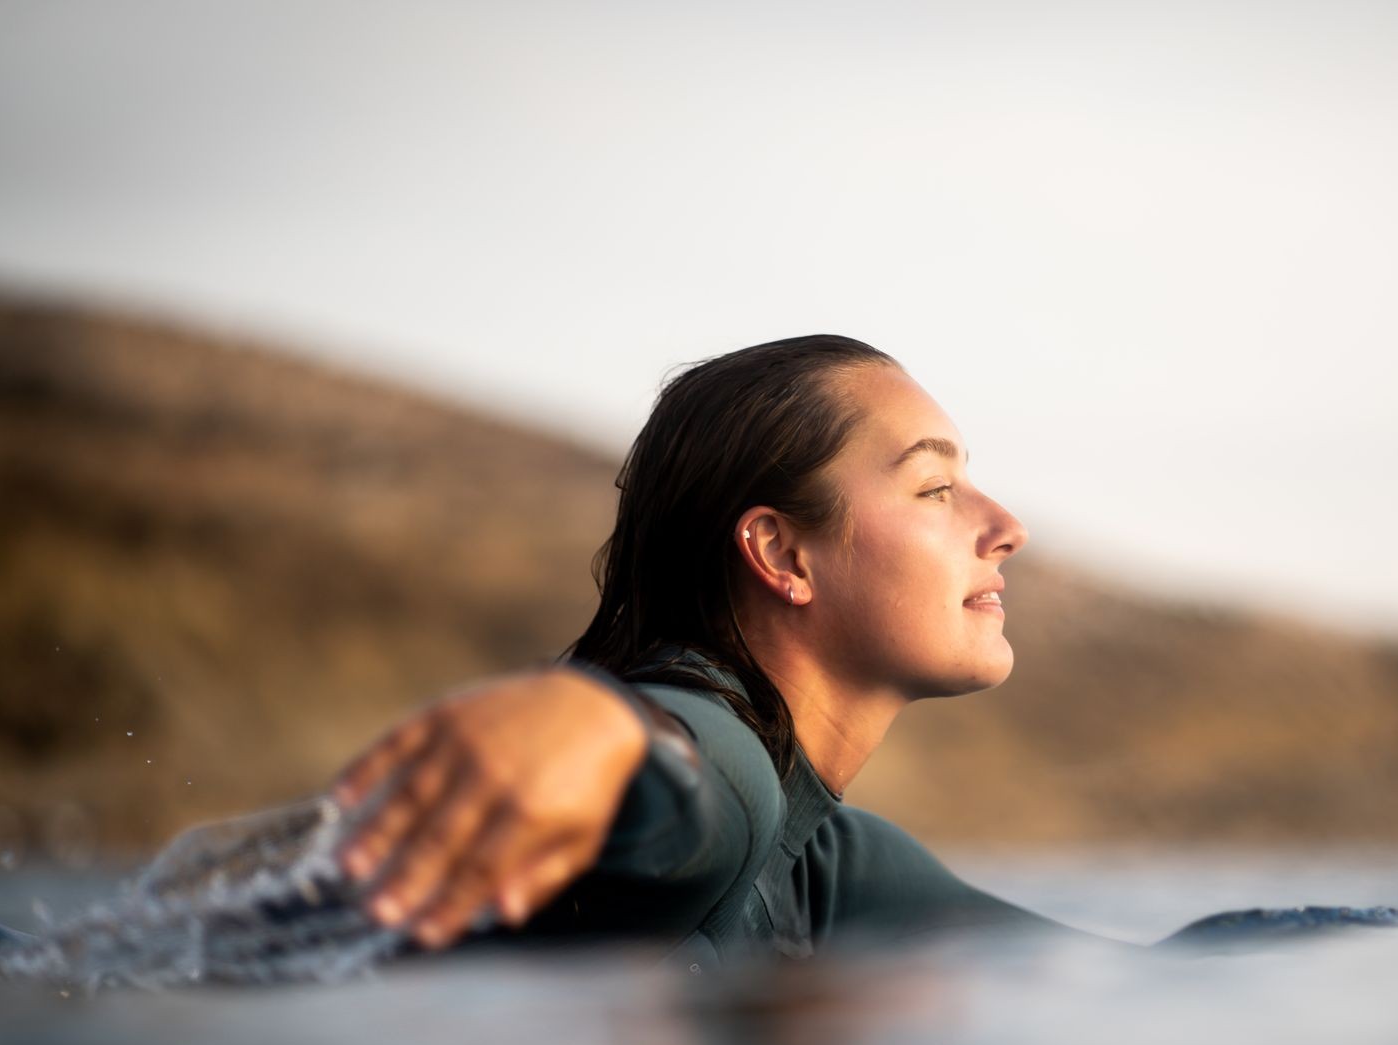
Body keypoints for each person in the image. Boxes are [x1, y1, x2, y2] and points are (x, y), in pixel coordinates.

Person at [328, 336, 1091, 970]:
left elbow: (1147, 968)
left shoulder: (825, 864)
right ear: (783, 554)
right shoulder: (730, 776)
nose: (1006, 525)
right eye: (934, 487)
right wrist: (588, 723)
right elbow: (678, 767)